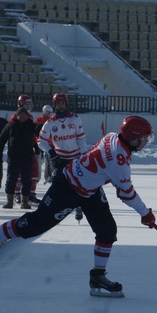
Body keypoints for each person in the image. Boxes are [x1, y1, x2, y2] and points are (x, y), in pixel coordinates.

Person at [0, 116, 156, 298]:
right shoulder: (119, 159)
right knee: (36, 224)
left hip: (88, 188)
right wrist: (145, 213)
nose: (146, 142)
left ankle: (98, 277)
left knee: (107, 230)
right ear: (133, 137)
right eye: (144, 138)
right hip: (67, 187)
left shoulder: (113, 136)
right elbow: (126, 194)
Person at [38, 93, 87, 221]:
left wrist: (83, 154)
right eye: (58, 103)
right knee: (57, 185)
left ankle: (79, 207)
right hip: (59, 159)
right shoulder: (50, 123)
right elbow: (40, 141)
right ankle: (52, 211)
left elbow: (81, 138)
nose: (61, 106)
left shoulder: (75, 119)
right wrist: (51, 152)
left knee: (78, 183)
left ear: (66, 104)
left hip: (75, 157)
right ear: (54, 105)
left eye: (63, 103)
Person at [0, 107, 38, 209]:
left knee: (26, 180)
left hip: (27, 157)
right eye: (20, 115)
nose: (22, 117)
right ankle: (9, 201)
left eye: (24, 115)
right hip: (13, 157)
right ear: (17, 116)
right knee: (11, 179)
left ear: (27, 116)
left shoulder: (31, 125)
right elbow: (1, 140)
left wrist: (37, 148)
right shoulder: (10, 125)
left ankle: (25, 202)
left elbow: (38, 136)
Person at [11, 94, 41, 205]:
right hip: (19, 149)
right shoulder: (15, 117)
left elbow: (31, 134)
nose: (29, 106)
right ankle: (17, 193)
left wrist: (35, 145)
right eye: (26, 104)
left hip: (29, 149)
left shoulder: (30, 117)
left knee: (33, 171)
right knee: (18, 172)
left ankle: (31, 194)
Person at [35, 104, 54, 184]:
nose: (49, 114)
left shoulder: (52, 120)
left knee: (48, 160)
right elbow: (35, 132)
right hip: (39, 142)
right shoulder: (39, 120)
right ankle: (37, 177)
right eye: (47, 112)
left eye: (50, 113)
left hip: (48, 143)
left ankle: (48, 176)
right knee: (38, 160)